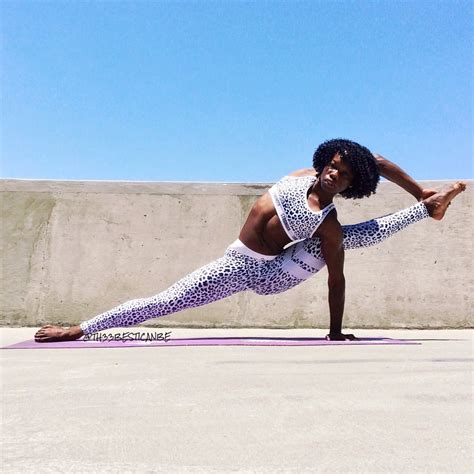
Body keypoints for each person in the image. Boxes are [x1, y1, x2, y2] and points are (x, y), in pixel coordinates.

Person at [34, 138, 466, 343]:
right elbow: (378, 160)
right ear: (324, 163)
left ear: (352, 186)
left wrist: (335, 332)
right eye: (335, 165)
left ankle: (425, 212)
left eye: (346, 175)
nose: (337, 173)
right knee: (167, 300)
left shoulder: (326, 222)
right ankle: (83, 328)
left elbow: (337, 281)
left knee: (341, 240)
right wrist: (419, 190)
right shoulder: (301, 176)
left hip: (274, 275)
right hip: (237, 266)